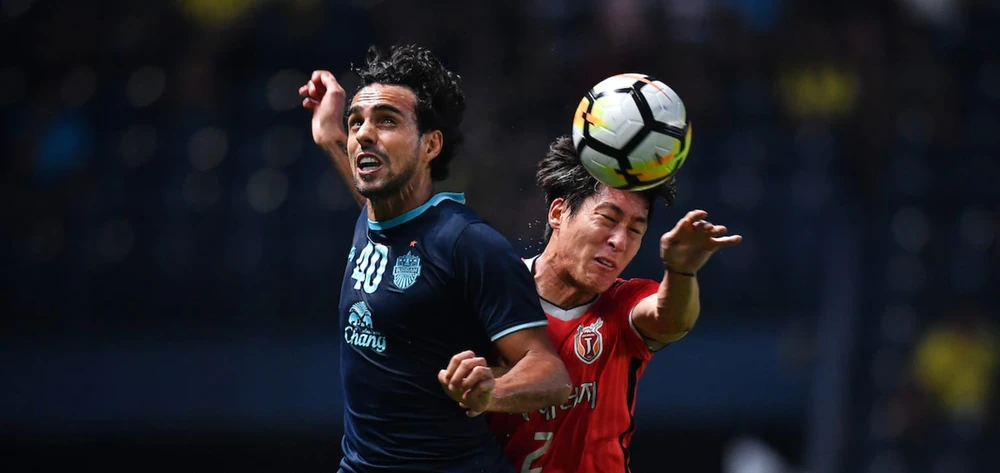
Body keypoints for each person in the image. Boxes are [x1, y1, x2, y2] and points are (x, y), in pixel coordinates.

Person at [299, 44, 572, 473]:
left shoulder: (469, 244)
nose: (364, 134)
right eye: (356, 123)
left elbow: (551, 375)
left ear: (430, 145)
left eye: (386, 121)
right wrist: (328, 134)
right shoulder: (375, 219)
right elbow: (376, 202)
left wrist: (491, 393)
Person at [484, 136, 742, 473]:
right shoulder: (491, 293)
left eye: (635, 230)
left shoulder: (623, 303)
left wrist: (681, 272)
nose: (619, 241)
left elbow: (671, 319)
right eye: (608, 218)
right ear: (558, 213)